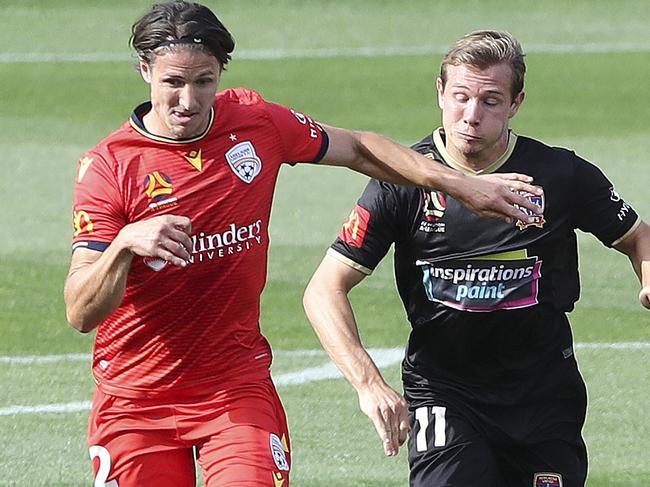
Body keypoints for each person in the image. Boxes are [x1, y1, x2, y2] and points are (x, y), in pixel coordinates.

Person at [63, 4, 544, 486]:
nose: (189, 100)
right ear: (145, 70)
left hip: (234, 389)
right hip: (135, 401)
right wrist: (125, 244)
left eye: (204, 81)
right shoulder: (110, 168)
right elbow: (81, 312)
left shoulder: (255, 123)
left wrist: (462, 186)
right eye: (173, 83)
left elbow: (358, 148)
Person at [303, 30, 650, 487]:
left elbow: (637, 236)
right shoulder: (401, 181)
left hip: (544, 397)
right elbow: (324, 289)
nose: (471, 115)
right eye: (461, 96)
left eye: (490, 100)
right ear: (440, 93)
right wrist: (369, 384)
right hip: (445, 394)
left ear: (515, 103)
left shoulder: (561, 174)